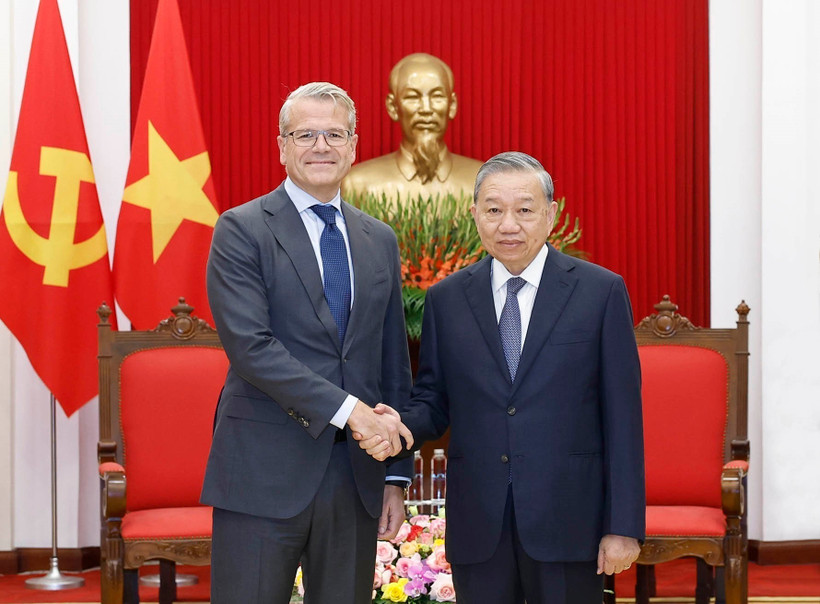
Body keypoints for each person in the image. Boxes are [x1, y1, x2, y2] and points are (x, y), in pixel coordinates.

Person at [358, 152, 645, 603]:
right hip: (480, 524)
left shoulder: (600, 292)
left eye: (524, 210)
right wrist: (399, 427)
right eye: (493, 209)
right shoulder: (447, 300)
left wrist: (623, 526)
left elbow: (624, 418)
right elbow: (434, 400)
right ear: (475, 215)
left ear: (550, 215)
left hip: (568, 521)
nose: (508, 224)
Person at [201, 82, 415, 604]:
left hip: (356, 477)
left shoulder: (378, 238)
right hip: (263, 471)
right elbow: (252, 348)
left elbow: (392, 359)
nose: (321, 146)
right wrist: (351, 412)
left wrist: (396, 475)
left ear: (354, 145)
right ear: (281, 146)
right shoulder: (241, 229)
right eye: (305, 134)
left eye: (334, 134)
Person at [342, 52, 482, 203]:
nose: (426, 109)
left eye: (437, 96)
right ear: (393, 107)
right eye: (412, 97)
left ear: (452, 105)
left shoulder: (484, 183)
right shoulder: (358, 186)